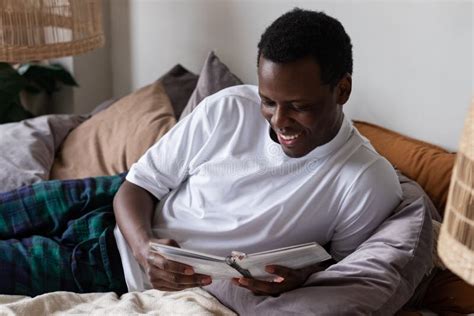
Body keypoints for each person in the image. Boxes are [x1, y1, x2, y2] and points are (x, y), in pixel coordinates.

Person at [0, 8, 401, 303]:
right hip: (107, 200)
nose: (279, 121)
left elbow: (340, 277)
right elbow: (136, 184)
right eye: (268, 101)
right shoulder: (230, 107)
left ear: (342, 89)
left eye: (298, 106)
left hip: (103, 266)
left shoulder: (365, 182)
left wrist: (298, 281)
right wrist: (145, 249)